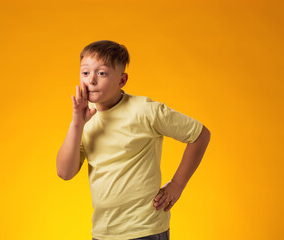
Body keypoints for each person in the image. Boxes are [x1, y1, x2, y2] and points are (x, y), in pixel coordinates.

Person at [56, 40, 211, 240]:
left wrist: (177, 184)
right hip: (104, 232)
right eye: (85, 73)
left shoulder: (144, 111)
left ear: (122, 80)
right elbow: (65, 172)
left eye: (101, 73)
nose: (91, 80)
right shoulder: (84, 122)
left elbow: (200, 134)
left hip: (144, 229)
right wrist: (77, 124)